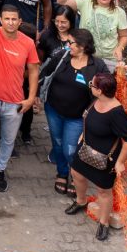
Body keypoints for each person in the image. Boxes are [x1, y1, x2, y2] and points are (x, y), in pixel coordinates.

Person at [0, 1, 40, 194]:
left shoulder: (27, 43)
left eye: (14, 19)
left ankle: (0, 170)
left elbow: (34, 71)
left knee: (8, 141)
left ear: (20, 22)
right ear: (0, 21)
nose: (10, 23)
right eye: (7, 19)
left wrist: (31, 98)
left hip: (15, 102)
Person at [66, 71, 127, 241]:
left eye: (93, 85)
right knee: (76, 174)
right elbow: (88, 120)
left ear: (100, 91)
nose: (90, 86)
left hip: (105, 159)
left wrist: (120, 162)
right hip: (85, 150)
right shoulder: (96, 101)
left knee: (103, 191)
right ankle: (81, 201)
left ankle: (104, 222)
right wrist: (82, 137)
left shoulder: (116, 113)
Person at [38, 28, 98, 197]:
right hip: (54, 111)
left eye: (71, 43)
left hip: (77, 117)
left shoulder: (96, 66)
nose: (67, 45)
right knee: (57, 144)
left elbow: (105, 89)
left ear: (83, 46)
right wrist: (36, 95)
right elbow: (44, 72)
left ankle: (76, 175)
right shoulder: (62, 57)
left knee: (70, 149)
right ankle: (62, 173)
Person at [57, 0, 127, 74]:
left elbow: (124, 36)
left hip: (109, 58)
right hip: (86, 55)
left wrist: (120, 48)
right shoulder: (86, 3)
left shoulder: (119, 12)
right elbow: (61, 1)